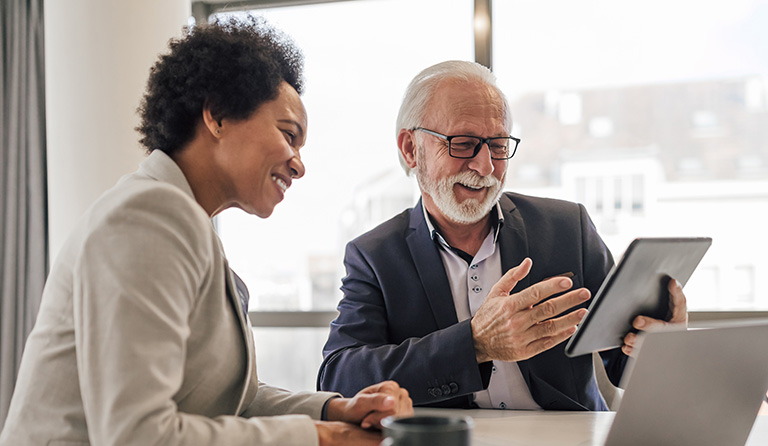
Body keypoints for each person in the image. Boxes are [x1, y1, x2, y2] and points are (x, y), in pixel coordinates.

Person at [0, 17, 411, 446]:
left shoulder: (184, 219)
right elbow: (136, 436)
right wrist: (321, 437)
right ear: (217, 116)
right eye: (289, 135)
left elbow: (231, 401)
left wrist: (334, 408)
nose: (298, 163)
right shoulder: (150, 215)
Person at [317, 60, 688, 411]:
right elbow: (339, 377)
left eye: (498, 145)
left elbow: (622, 361)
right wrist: (474, 343)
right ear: (411, 149)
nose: (486, 167)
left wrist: (657, 343)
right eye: (462, 144)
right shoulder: (374, 255)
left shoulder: (567, 227)